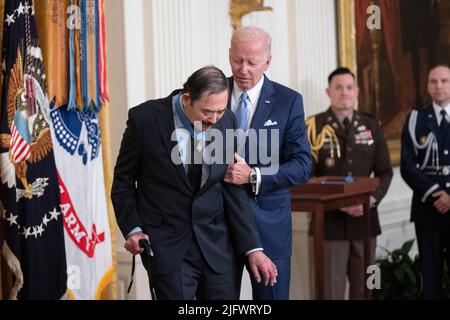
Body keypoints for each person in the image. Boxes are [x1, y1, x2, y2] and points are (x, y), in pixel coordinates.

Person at [111, 66, 277, 300]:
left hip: (218, 247)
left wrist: (253, 247)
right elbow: (123, 182)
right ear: (187, 99)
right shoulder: (145, 119)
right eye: (208, 112)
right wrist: (133, 229)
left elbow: (230, 186)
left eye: (220, 111)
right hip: (168, 246)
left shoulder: (226, 119)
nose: (214, 119)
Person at [224, 26, 312, 300]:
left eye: (252, 62)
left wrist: (254, 175)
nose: (244, 69)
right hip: (219, 226)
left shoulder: (288, 101)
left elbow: (302, 165)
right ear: (229, 55)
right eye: (238, 60)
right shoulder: (212, 93)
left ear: (268, 61)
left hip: (269, 226)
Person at [306, 67, 393, 300]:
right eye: (338, 87)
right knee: (330, 292)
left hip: (366, 222)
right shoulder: (313, 127)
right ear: (328, 91)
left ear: (357, 91)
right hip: (329, 224)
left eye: (349, 87)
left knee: (366, 289)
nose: (344, 92)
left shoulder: (371, 125)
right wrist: (336, 202)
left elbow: (385, 172)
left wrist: (371, 201)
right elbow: (305, 175)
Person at [400, 64, 450, 300]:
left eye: (444, 81)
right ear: (428, 85)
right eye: (433, 81)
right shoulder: (415, 119)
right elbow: (408, 166)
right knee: (430, 278)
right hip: (427, 211)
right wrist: (436, 194)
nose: (438, 86)